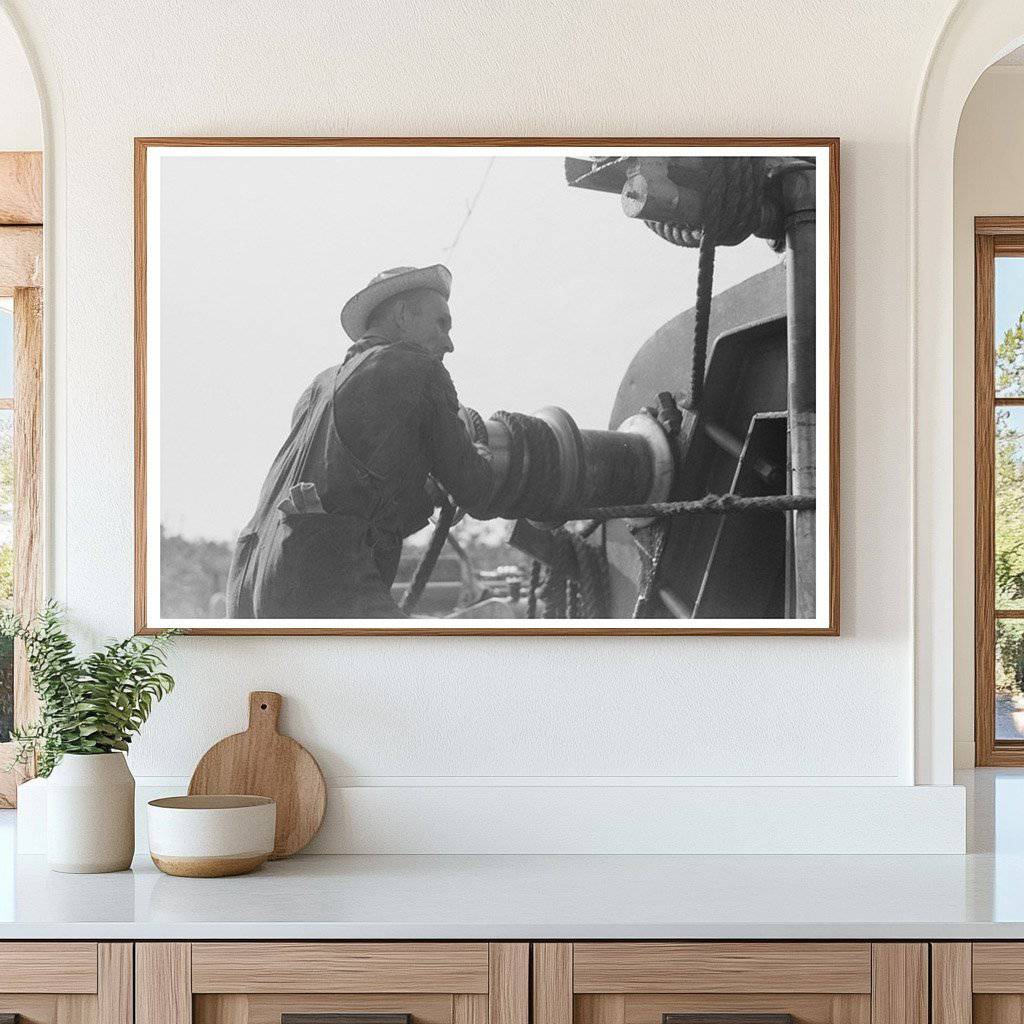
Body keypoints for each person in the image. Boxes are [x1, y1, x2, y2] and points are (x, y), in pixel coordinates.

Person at [226, 264, 493, 619]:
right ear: (403, 314)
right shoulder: (417, 368)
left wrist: (426, 492)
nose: (449, 343)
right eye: (440, 324)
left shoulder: (318, 388)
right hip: (324, 582)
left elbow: (347, 491)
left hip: (251, 584)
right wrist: (480, 450)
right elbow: (474, 488)